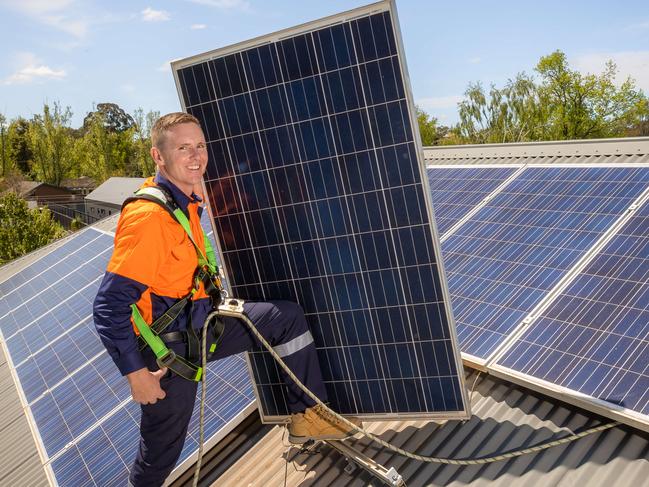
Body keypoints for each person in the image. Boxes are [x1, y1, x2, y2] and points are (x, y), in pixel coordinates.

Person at [93, 112, 360, 487]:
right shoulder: (150, 218)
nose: (195, 156)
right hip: (169, 353)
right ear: (159, 156)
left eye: (199, 146)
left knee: (285, 319)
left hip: (202, 323)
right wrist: (137, 375)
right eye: (183, 148)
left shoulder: (184, 200)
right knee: (162, 451)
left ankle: (307, 415)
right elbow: (108, 307)